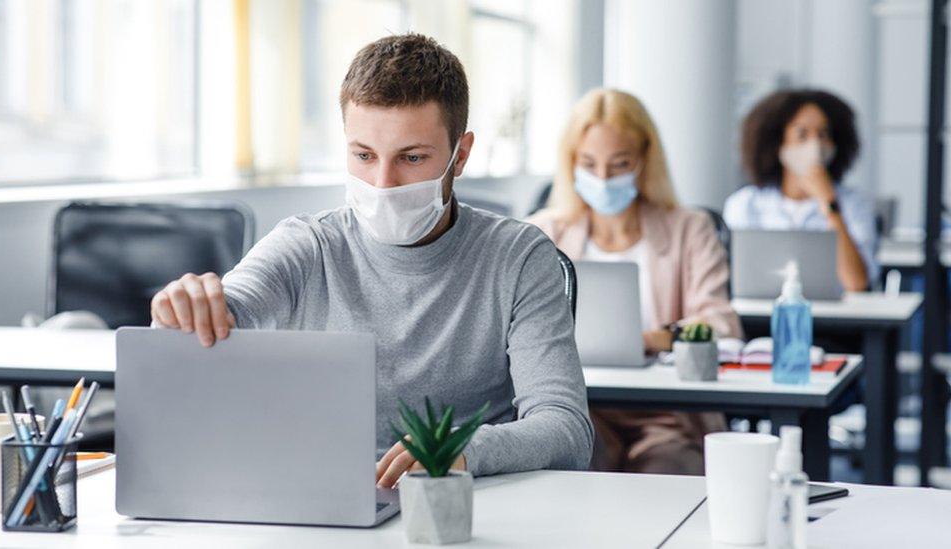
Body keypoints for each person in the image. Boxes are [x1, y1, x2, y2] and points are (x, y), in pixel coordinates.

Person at [149, 34, 593, 488]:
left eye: (412, 157)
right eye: (363, 155)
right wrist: (189, 310)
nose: (382, 183)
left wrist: (462, 451)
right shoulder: (307, 244)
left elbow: (567, 430)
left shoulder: (518, 257)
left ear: (459, 156)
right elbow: (234, 306)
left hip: (465, 500)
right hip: (325, 496)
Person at [527, 88, 742, 474]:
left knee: (667, 471)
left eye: (619, 163)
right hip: (581, 409)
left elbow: (721, 324)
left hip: (669, 416)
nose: (603, 178)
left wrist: (651, 340)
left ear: (644, 160)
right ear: (571, 162)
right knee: (579, 465)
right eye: (589, 164)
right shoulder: (543, 233)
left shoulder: (690, 229)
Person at [723, 89, 878, 290]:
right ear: (777, 143)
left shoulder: (853, 204)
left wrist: (829, 202)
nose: (815, 144)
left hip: (834, 320)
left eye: (823, 134)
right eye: (802, 134)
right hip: (760, 317)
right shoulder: (745, 204)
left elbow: (856, 283)